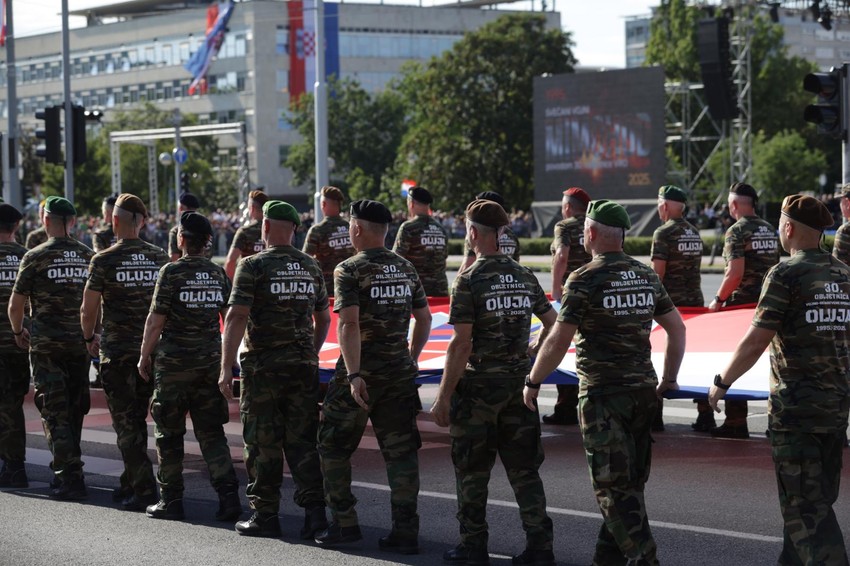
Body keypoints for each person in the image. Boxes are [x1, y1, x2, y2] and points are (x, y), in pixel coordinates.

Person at [526, 199, 686, 566]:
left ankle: (644, 559)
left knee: (612, 487)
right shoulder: (645, 274)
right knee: (628, 482)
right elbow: (677, 328)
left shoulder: (583, 278)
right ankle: (607, 557)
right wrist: (669, 379)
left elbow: (560, 337)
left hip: (602, 395)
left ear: (592, 233)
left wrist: (533, 380)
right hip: (643, 392)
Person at [708, 195, 848, 566]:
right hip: (835, 408)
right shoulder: (843, 274)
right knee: (810, 502)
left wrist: (722, 381)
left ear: (787, 228)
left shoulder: (785, 274)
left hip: (797, 411)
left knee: (805, 510)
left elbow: (757, 338)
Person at [431, 199, 558, 566]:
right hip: (518, 388)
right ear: (501, 234)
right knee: (525, 472)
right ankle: (540, 546)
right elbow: (552, 322)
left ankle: (473, 546)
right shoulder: (523, 274)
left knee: (472, 471)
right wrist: (532, 350)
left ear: (472, 233)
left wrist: (442, 397)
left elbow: (462, 343)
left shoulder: (469, 280)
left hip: (478, 392)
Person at [314, 199, 432, 553]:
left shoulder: (348, 269)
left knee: (332, 447)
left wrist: (353, 375)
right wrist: (410, 359)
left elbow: (348, 323)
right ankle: (406, 531)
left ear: (357, 229)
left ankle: (345, 523)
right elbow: (424, 319)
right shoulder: (406, 267)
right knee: (401, 455)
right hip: (397, 373)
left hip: (360, 374)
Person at [218, 200, 331, 539]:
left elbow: (237, 316)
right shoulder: (310, 265)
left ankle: (265, 514)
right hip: (301, 367)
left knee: (262, 442)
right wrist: (309, 351)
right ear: (294, 229)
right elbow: (324, 318)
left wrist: (226, 365)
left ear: (265, 227)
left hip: (264, 368)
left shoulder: (253, 265)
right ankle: (314, 515)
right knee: (303, 442)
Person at [138, 211, 240, 521]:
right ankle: (229, 500)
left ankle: (171, 500)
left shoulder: (171, 273)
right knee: (212, 434)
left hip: (173, 367)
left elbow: (156, 321)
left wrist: (144, 355)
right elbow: (231, 317)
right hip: (208, 364)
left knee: (169, 434)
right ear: (207, 243)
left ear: (181, 240)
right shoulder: (217, 274)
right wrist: (228, 361)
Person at [80, 194, 169, 511]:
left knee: (125, 423)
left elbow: (88, 310)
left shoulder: (103, 260)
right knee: (137, 418)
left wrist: (90, 337)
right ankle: (130, 481)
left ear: (114, 221)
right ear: (142, 221)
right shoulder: (159, 257)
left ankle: (144, 489)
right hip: (150, 351)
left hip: (117, 353)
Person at [8, 196, 95, 500]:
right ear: (71, 222)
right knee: (74, 407)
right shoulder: (88, 255)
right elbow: (98, 303)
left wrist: (19, 332)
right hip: (78, 344)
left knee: (54, 411)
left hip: (46, 345)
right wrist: (92, 335)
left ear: (45, 221)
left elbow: (16, 306)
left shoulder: (35, 256)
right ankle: (72, 467)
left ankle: (69, 475)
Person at [702, 182, 779, 439]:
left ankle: (736, 421)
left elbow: (734, 273)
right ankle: (776, 420)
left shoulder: (736, 231)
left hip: (741, 307)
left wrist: (718, 299)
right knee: (774, 363)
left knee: (736, 361)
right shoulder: (769, 229)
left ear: (734, 205)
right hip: (771, 303)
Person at [650, 185, 704, 432]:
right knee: (696, 356)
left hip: (669, 305)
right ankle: (705, 414)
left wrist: (649, 303)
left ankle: (655, 414)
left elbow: (657, 274)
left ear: (665, 206)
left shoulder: (663, 233)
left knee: (662, 356)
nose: (659, 209)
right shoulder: (694, 232)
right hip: (695, 301)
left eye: (660, 204)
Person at [543, 186, 591, 426]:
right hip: (596, 294)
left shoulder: (565, 226)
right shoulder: (595, 224)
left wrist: (555, 288)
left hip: (572, 296)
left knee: (565, 347)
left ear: (569, 207)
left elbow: (561, 255)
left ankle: (566, 407)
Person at [0, 204, 32, 488]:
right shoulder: (26, 257)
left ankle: (12, 465)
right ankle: (14, 463)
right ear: (16, 227)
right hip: (19, 341)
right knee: (13, 405)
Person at [392, 186, 450, 296]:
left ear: (411, 203)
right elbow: (443, 258)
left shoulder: (408, 227)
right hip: (440, 289)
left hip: (417, 292)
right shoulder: (440, 228)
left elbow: (397, 260)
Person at [302, 185, 356, 295]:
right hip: (351, 285)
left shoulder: (317, 230)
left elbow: (305, 260)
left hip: (328, 290)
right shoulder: (352, 227)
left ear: (323, 204)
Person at [458, 191, 521, 273]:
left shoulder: (476, 233)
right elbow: (516, 266)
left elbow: (467, 266)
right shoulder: (511, 236)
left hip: (483, 281)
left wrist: (457, 282)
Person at [224, 189, 269, 279]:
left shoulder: (245, 231)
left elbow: (231, 261)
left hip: (249, 284)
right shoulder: (277, 229)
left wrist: (230, 287)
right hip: (272, 284)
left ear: (251, 209)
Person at [168, 193, 213, 262]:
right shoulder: (206, 227)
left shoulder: (177, 231)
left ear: (180, 207)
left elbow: (174, 257)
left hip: (182, 271)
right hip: (205, 269)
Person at [832, 183, 850, 264]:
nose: (840, 204)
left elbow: (839, 268)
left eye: (840, 201)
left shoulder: (846, 230)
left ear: (847, 203)